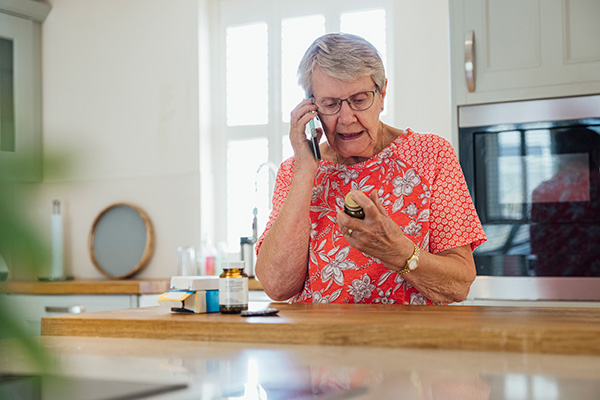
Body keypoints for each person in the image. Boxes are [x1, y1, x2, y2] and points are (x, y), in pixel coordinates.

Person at [255, 33, 487, 304]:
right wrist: (305, 172)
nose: (347, 118)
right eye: (330, 104)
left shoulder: (432, 155)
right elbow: (276, 285)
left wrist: (394, 250)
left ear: (382, 94)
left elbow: (458, 285)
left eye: (360, 99)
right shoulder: (296, 170)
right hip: (319, 343)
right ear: (312, 108)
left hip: (411, 342)